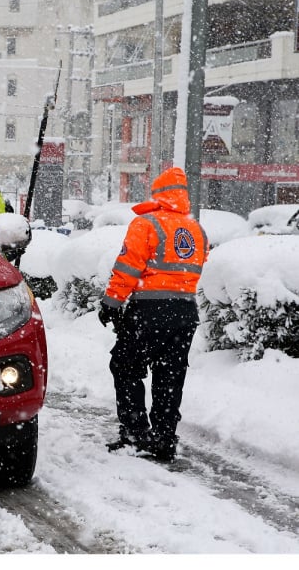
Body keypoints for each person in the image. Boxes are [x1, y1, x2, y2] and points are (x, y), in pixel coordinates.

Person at [97, 167, 209, 462]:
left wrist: (111, 303)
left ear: (158, 194)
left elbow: (128, 267)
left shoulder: (146, 224)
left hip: (149, 309)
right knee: (169, 375)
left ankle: (135, 434)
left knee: (126, 367)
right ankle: (164, 438)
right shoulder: (196, 229)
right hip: (185, 311)